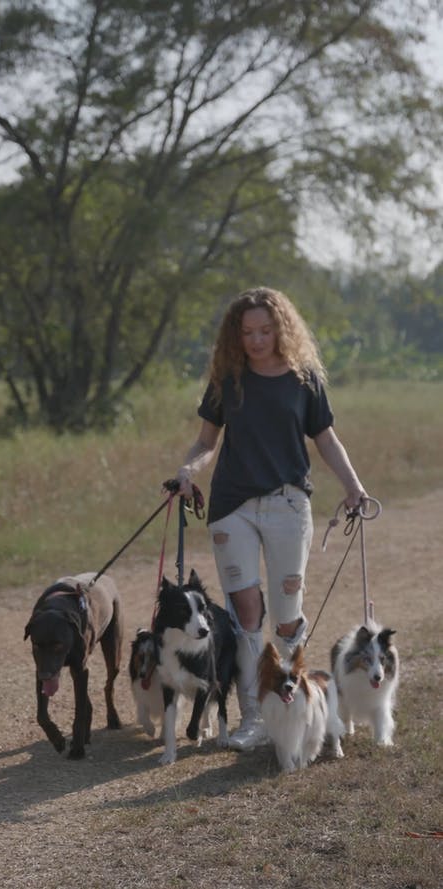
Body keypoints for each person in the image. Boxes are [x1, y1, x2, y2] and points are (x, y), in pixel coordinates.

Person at [174, 287, 367, 752]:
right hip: (231, 507)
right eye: (248, 332)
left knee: (285, 619)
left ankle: (295, 709)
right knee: (245, 617)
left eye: (265, 330)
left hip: (287, 505)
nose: (257, 340)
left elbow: (326, 440)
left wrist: (353, 486)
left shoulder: (305, 379)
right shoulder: (228, 379)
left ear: (281, 328)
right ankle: (254, 718)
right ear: (235, 336)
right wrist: (187, 469)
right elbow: (206, 442)